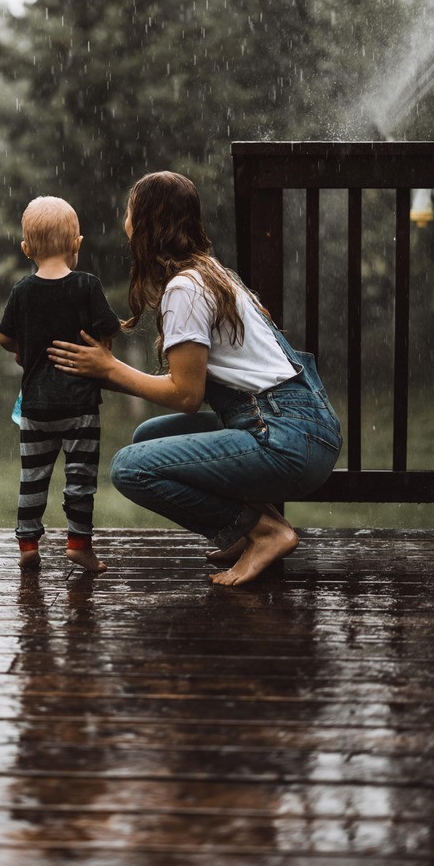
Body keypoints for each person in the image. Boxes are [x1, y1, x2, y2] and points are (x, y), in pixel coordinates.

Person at [47, 171, 342, 587]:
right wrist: (103, 372)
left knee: (130, 468)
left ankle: (264, 532)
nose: (125, 222)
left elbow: (187, 394)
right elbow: (197, 386)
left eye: (130, 212)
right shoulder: (210, 272)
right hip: (301, 426)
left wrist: (110, 369)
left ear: (147, 222)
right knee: (148, 437)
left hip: (284, 438)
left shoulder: (185, 289)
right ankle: (251, 530)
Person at [0, 196, 121, 572]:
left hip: (36, 407)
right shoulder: (87, 286)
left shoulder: (22, 291)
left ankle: (28, 544)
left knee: (32, 478)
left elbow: (4, 338)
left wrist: (25, 352)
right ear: (76, 244)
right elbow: (109, 331)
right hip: (80, 406)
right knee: (80, 479)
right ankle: (79, 544)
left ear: (26, 248)